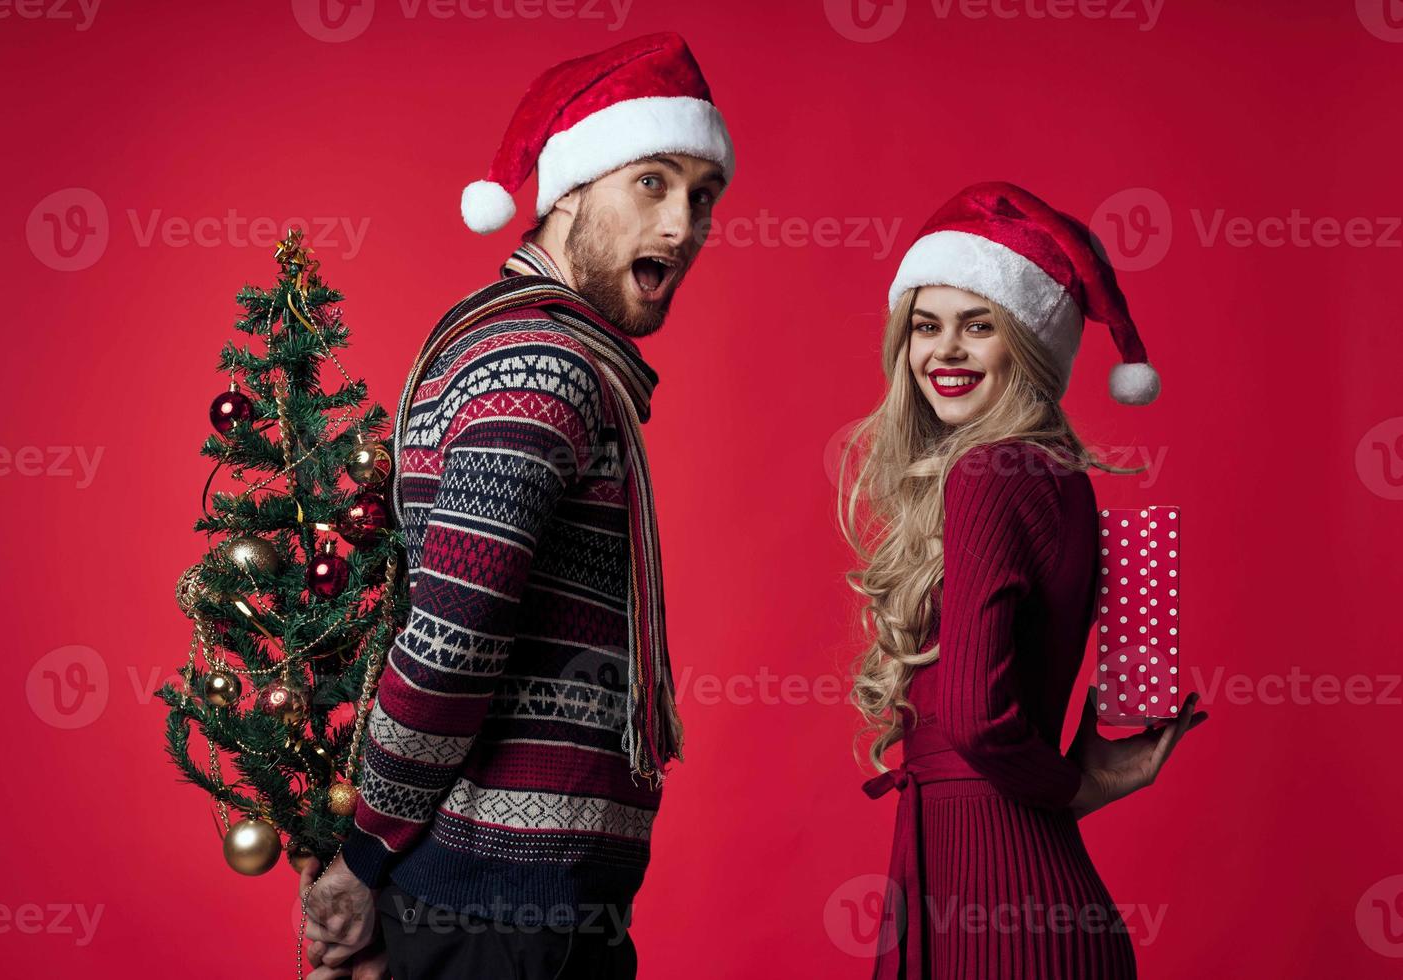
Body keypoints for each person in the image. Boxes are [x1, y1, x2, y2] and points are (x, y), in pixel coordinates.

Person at [297, 31, 735, 980]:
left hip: (520, 899)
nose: (682, 225)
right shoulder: (538, 367)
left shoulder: (544, 354)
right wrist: (367, 853)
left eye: (703, 197)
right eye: (652, 183)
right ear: (569, 188)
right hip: (501, 901)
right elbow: (454, 635)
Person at [838, 181, 1209, 979]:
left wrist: (1071, 786)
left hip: (994, 895)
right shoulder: (1059, 476)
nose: (946, 351)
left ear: (1032, 343)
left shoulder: (987, 472)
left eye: (980, 326)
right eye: (926, 327)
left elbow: (975, 715)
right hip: (1024, 893)